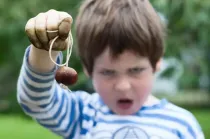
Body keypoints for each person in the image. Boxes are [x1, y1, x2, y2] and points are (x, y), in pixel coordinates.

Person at [17, 0, 205, 138]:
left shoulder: (181, 124)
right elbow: (36, 101)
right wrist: (43, 48)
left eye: (136, 70)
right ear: (89, 70)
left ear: (156, 63)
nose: (122, 86)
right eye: (108, 72)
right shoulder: (83, 114)